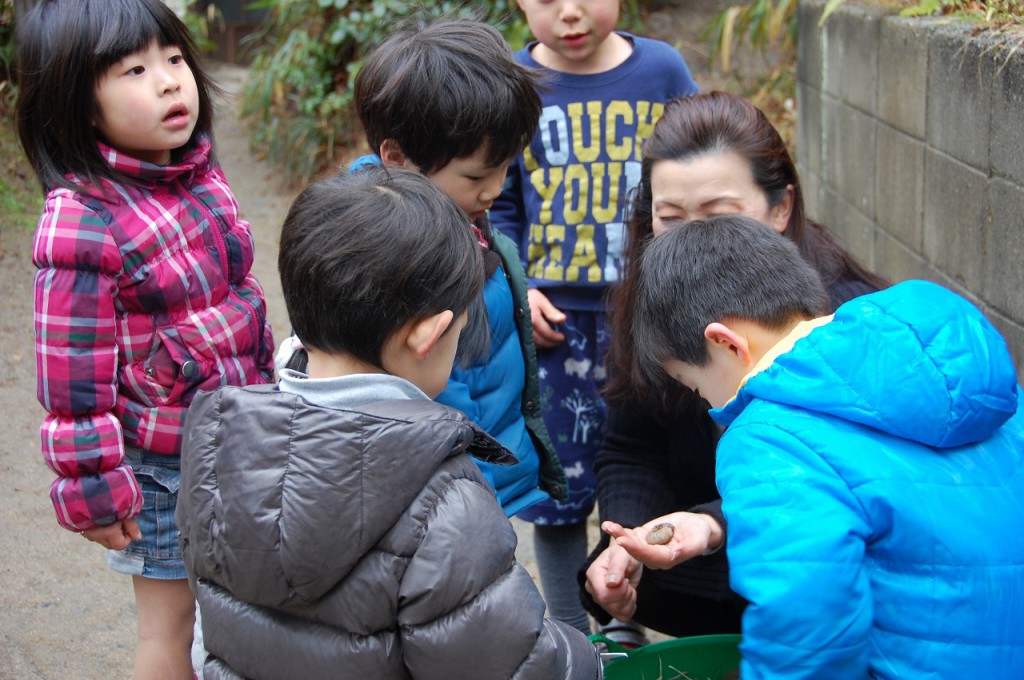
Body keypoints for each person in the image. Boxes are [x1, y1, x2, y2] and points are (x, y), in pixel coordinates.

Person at [177, 168, 602, 680]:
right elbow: (502, 664)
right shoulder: (444, 498)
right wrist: (581, 658)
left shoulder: (216, 441)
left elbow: (208, 637)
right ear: (430, 336)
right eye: (460, 332)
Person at [614, 213, 1024, 678]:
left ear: (727, 345)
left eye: (693, 385)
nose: (706, 404)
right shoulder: (955, 373)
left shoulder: (767, 437)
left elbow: (805, 623)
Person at [15, 0, 275, 676]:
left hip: (237, 435)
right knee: (167, 630)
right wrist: (96, 490)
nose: (168, 81)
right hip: (160, 469)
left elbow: (239, 296)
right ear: (76, 104)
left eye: (174, 58)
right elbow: (72, 380)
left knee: (246, 604)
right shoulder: (81, 221)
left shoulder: (197, 172)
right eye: (134, 69)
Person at [580, 91, 889, 638]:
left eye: (720, 217)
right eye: (671, 219)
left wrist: (714, 522)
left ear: (781, 208)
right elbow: (630, 446)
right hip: (693, 573)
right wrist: (626, 541)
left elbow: (842, 495)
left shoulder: (848, 322)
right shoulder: (645, 304)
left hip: (823, 587)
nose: (693, 243)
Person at [276, 15, 568, 519]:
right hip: (440, 481)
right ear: (397, 157)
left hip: (487, 461)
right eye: (478, 174)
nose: (495, 189)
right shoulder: (386, 252)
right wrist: (469, 487)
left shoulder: (460, 206)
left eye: (506, 168)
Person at [489, 0, 700, 637]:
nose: (570, 13)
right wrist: (518, 286)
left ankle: (624, 620)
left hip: (648, 316)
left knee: (639, 471)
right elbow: (496, 201)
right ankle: (569, 633)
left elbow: (695, 162)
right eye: (548, 1)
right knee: (557, 496)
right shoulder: (513, 84)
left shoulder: (662, 70)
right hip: (554, 328)